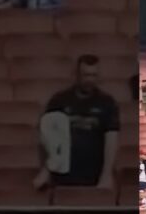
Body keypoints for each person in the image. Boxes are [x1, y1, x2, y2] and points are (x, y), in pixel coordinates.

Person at [37, 54, 119, 189]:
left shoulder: (107, 103)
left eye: (93, 75)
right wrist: (46, 170)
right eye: (86, 75)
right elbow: (46, 138)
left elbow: (111, 139)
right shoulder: (59, 100)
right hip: (63, 174)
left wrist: (106, 175)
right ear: (76, 75)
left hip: (94, 174)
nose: (89, 80)